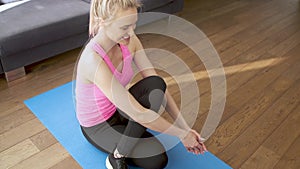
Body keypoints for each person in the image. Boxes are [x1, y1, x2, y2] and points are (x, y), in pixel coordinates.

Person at [75, 0, 207, 168]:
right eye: (124, 27)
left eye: (133, 25)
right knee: (157, 159)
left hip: (120, 109)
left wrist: (185, 128)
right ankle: (116, 157)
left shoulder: (130, 40)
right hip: (98, 126)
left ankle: (125, 143)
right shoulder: (92, 60)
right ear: (103, 22)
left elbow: (157, 85)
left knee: (156, 84)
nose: (131, 33)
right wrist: (180, 134)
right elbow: (139, 115)